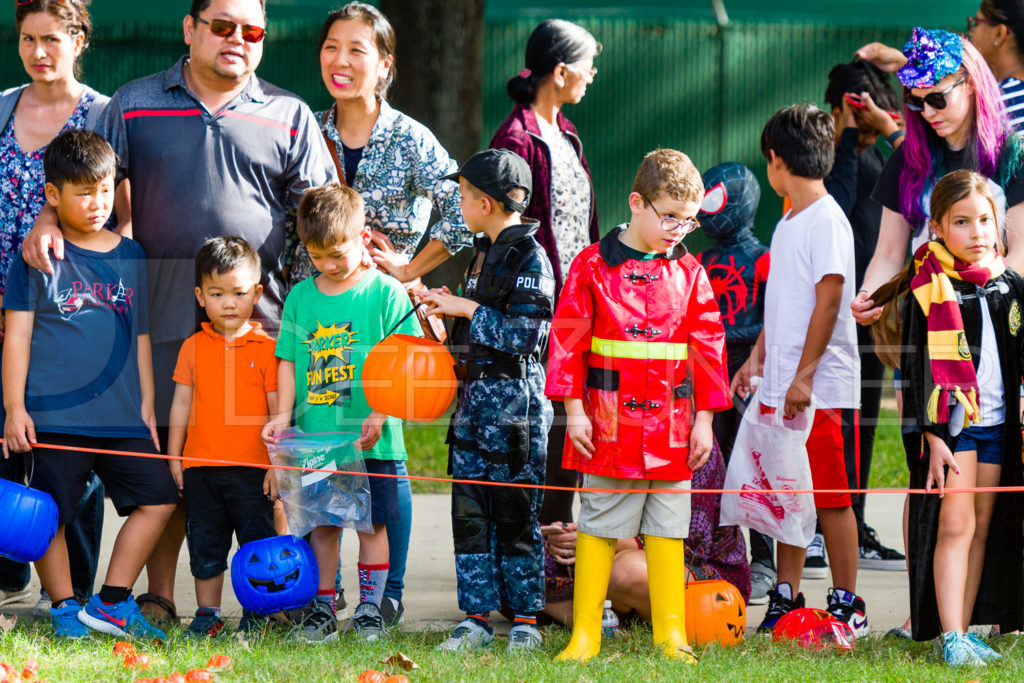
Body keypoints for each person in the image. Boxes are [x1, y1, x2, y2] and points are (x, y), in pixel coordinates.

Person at [21, 0, 337, 628]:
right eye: (222, 26)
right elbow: (87, 178)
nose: (238, 40)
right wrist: (47, 218)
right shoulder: (133, 104)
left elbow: (322, 215)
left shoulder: (290, 114)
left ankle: (271, 601)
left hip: (259, 331)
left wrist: (360, 277)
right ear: (190, 29)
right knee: (178, 466)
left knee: (255, 468)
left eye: (253, 31)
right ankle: (159, 598)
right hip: (160, 322)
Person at [288, 2, 471, 624]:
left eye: (357, 49)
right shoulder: (305, 128)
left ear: (384, 64)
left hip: (387, 316)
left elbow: (462, 212)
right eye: (331, 47)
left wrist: (411, 271)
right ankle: (321, 593)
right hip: (321, 316)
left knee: (384, 460)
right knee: (326, 465)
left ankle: (386, 592)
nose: (341, 61)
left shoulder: (412, 137)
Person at [546, 149, 730, 664]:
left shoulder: (691, 273)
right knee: (600, 525)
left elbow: (709, 348)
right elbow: (566, 343)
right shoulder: (591, 265)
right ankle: (586, 635)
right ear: (637, 203)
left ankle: (671, 636)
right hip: (606, 426)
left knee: (668, 529)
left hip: (672, 428)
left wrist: (706, 421)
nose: (678, 229)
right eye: (669, 215)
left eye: (689, 220)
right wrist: (575, 413)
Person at [1, 130, 177, 639]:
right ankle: (62, 607)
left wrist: (146, 402)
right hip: (53, 414)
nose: (98, 202)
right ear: (53, 196)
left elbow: (140, 334)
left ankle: (112, 601)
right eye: (83, 192)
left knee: (160, 497)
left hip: (121, 414)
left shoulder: (133, 254)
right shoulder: (37, 258)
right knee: (48, 514)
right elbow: (17, 337)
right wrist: (15, 407)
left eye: (104, 190)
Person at [870, 170, 1024, 665]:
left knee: (981, 526)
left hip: (998, 424)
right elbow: (915, 373)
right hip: (953, 430)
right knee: (954, 527)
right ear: (937, 227)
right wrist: (932, 436)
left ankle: (966, 627)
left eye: (984, 220)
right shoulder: (928, 289)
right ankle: (950, 635)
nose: (977, 232)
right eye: (962, 222)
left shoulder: (1008, 287)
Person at [263, 183, 421, 643]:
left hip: (374, 439)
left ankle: (371, 610)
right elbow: (289, 362)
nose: (328, 265)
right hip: (317, 440)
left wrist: (382, 410)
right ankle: (324, 609)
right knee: (324, 525)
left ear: (362, 235)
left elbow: (406, 357)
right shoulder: (300, 298)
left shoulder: (387, 294)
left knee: (372, 525)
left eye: (337, 253)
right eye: (316, 256)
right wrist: (282, 415)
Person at [732, 105, 866, 637]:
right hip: (782, 384)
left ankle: (847, 601)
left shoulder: (827, 220)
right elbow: (783, 305)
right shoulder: (788, 219)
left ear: (775, 159)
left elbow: (829, 301)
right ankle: (786, 596)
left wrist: (805, 378)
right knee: (787, 488)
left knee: (830, 497)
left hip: (819, 390)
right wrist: (758, 356)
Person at [419, 150, 554, 653]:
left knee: (516, 513)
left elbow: (527, 338)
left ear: (484, 201)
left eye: (460, 196)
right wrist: (444, 317)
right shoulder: (482, 251)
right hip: (473, 407)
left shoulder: (530, 258)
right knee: (470, 513)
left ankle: (524, 620)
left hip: (514, 409)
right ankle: (475, 617)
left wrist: (466, 306)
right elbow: (473, 335)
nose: (458, 203)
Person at [0, 0, 108, 615]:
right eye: (26, 40)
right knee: (11, 438)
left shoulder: (102, 112)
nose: (39, 52)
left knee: (72, 451)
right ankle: (10, 563)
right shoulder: (2, 108)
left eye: (51, 39)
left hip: (73, 313)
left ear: (78, 38)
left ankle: (74, 592)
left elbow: (116, 210)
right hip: (7, 304)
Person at [490, 18, 601, 527]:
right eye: (587, 66)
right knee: (539, 420)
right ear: (560, 72)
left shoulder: (569, 133)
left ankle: (556, 533)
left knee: (569, 421)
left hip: (579, 304)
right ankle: (525, 543)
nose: (593, 74)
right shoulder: (516, 138)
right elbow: (505, 232)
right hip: (538, 310)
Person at [166, 236, 279, 638]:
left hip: (253, 472)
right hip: (201, 470)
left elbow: (276, 412)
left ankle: (257, 612)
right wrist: (174, 457)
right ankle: (207, 614)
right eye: (217, 293)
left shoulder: (269, 349)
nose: (228, 303)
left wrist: (274, 463)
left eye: (238, 293)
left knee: (256, 547)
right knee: (206, 547)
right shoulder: (192, 348)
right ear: (200, 296)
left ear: (258, 294)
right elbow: (180, 404)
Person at [822, 60, 907, 574]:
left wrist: (879, 129)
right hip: (834, 312)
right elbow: (838, 204)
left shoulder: (887, 156)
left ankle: (856, 518)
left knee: (866, 422)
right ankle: (822, 525)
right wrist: (848, 139)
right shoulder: (828, 160)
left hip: (875, 311)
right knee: (836, 424)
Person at [539, 440, 750, 627]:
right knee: (521, 561)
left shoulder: (691, 435)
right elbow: (599, 515)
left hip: (701, 574)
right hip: (609, 551)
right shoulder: (597, 432)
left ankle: (591, 615)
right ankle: (604, 616)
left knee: (625, 572)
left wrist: (593, 539)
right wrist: (563, 537)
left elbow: (692, 546)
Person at [694, 161, 773, 603]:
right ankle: (715, 551)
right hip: (708, 365)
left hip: (749, 365)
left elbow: (774, 315)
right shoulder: (700, 260)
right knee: (712, 462)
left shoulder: (764, 258)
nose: (707, 208)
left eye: (714, 197)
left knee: (752, 464)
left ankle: (762, 558)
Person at [858, 2, 1024, 131]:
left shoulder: (1004, 103)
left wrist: (892, 133)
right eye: (915, 101)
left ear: (999, 34)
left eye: (976, 23)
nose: (971, 32)